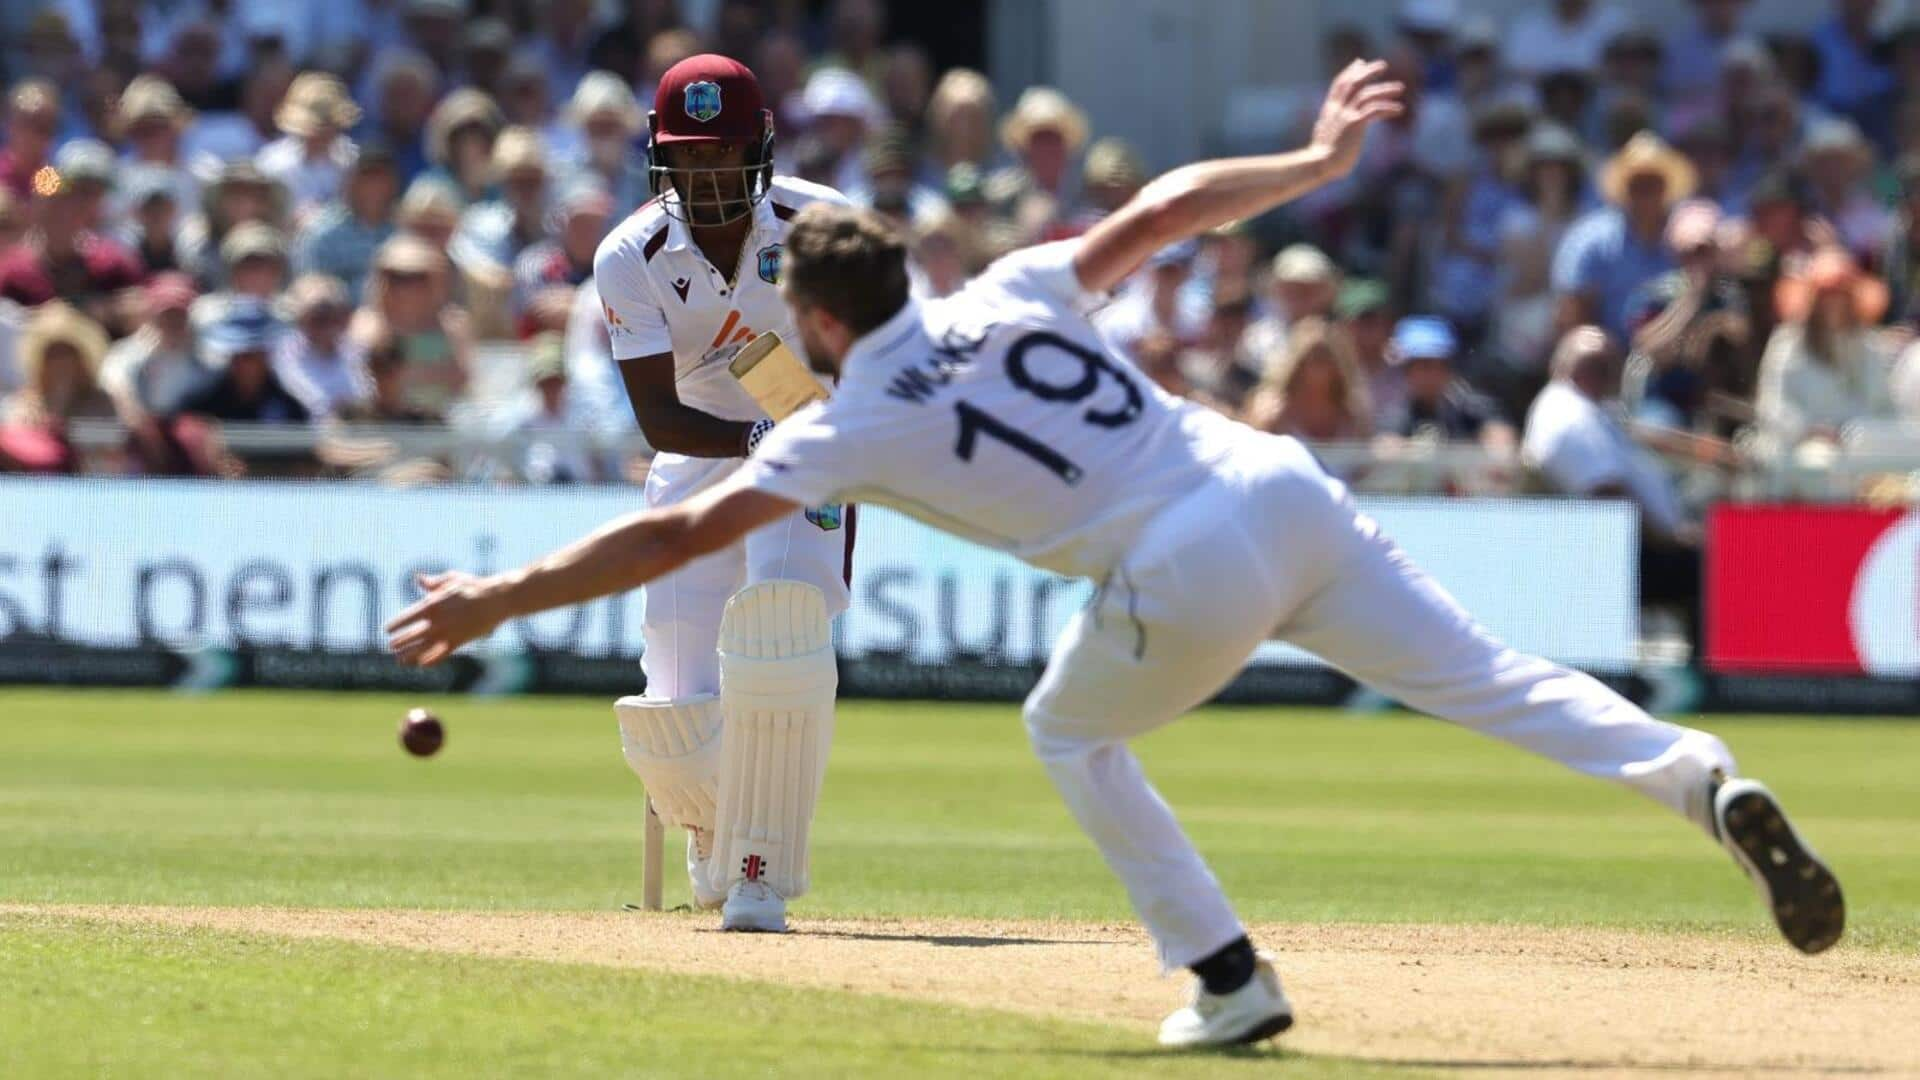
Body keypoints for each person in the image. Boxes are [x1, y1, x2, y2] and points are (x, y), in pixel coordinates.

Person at [388, 62, 1843, 1051]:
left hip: (1177, 563)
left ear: (819, 325)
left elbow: (676, 522)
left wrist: (494, 598)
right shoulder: (1010, 285)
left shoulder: (850, 427)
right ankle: (1700, 777)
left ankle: (1227, 980)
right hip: (1282, 486)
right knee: (1496, 679)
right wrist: (1324, 158)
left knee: (1066, 730)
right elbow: (1168, 209)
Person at [589, 54, 861, 934]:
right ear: (661, 160)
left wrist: (816, 426)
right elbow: (660, 419)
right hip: (703, 453)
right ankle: (715, 836)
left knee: (779, 635)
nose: (707, 174)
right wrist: (755, 436)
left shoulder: (827, 228)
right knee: (670, 712)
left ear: (762, 149)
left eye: (723, 152)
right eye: (689, 156)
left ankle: (760, 872)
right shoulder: (629, 255)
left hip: (807, 456)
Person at [1754, 247, 1897, 460]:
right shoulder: (1787, 343)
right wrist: (1811, 431)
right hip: (1797, 456)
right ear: (1812, 299)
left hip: (1859, 456)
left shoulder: (1869, 345)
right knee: (1819, 457)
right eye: (1825, 294)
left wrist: (1852, 434)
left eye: (1841, 294)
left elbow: (1883, 407)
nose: (1833, 302)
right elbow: (1772, 405)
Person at [1553, 131, 1694, 338]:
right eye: (1638, 185)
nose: (1646, 195)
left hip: (1677, 348)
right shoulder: (1591, 240)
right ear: (1624, 190)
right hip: (1609, 354)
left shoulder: (1688, 236)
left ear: (1666, 188)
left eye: (1653, 184)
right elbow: (1571, 313)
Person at [1377, 315, 1514, 450]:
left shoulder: (1473, 408)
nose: (1432, 374)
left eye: (1441, 365)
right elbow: (1384, 449)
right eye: (1424, 366)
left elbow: (1502, 442)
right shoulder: (1397, 415)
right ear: (1407, 370)